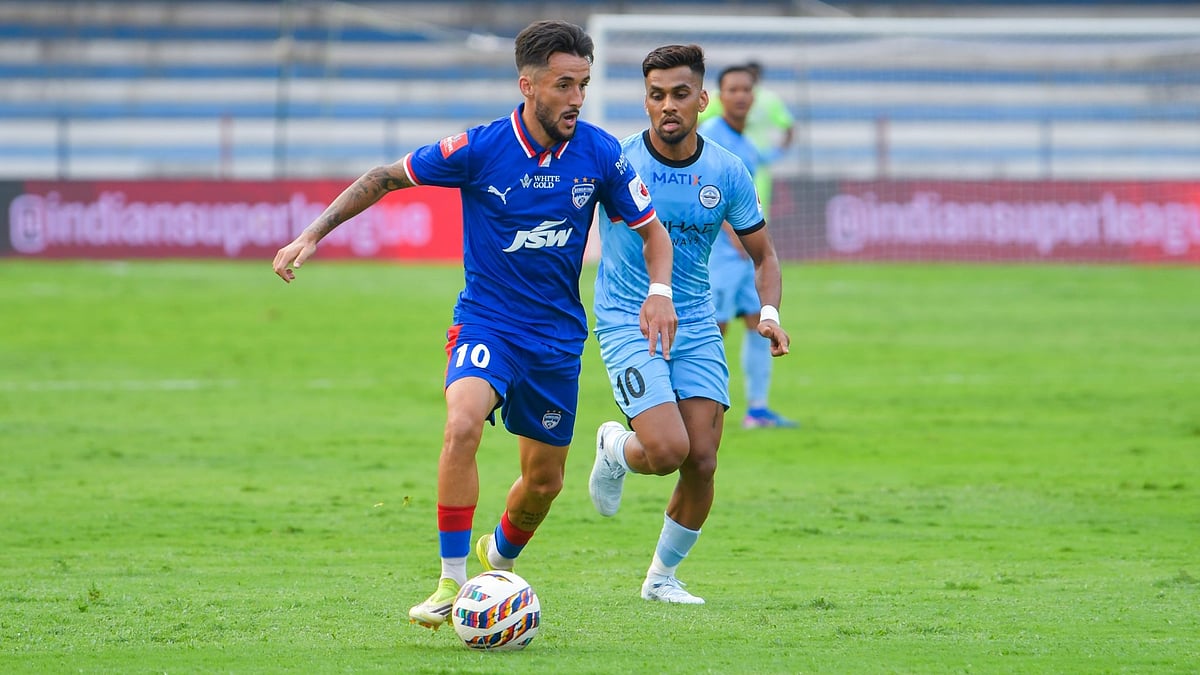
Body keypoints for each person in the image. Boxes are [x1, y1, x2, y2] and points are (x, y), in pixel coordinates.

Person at [272, 20, 677, 630]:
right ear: (528, 85)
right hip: (486, 323)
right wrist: (310, 235)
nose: (576, 98)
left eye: (583, 85)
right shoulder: (481, 148)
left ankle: (498, 559)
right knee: (461, 425)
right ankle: (451, 582)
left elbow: (653, 233)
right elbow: (383, 177)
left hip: (557, 340)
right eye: (564, 85)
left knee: (542, 485)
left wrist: (659, 292)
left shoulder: (601, 154)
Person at [589, 45, 790, 604]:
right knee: (667, 451)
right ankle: (616, 449)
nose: (667, 106)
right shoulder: (618, 162)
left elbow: (764, 256)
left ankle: (660, 579)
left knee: (702, 460)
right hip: (629, 321)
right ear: (646, 100)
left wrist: (769, 315)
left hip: (696, 323)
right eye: (656, 95)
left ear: (702, 100)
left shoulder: (726, 170)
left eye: (680, 94)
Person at [699, 65, 797, 428]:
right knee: (714, 327)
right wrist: (732, 233)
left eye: (746, 90)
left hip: (744, 252)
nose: (740, 95)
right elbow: (704, 191)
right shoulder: (710, 135)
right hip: (718, 253)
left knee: (759, 322)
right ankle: (703, 405)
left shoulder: (748, 145)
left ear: (754, 98)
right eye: (733, 89)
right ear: (720, 96)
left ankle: (757, 408)